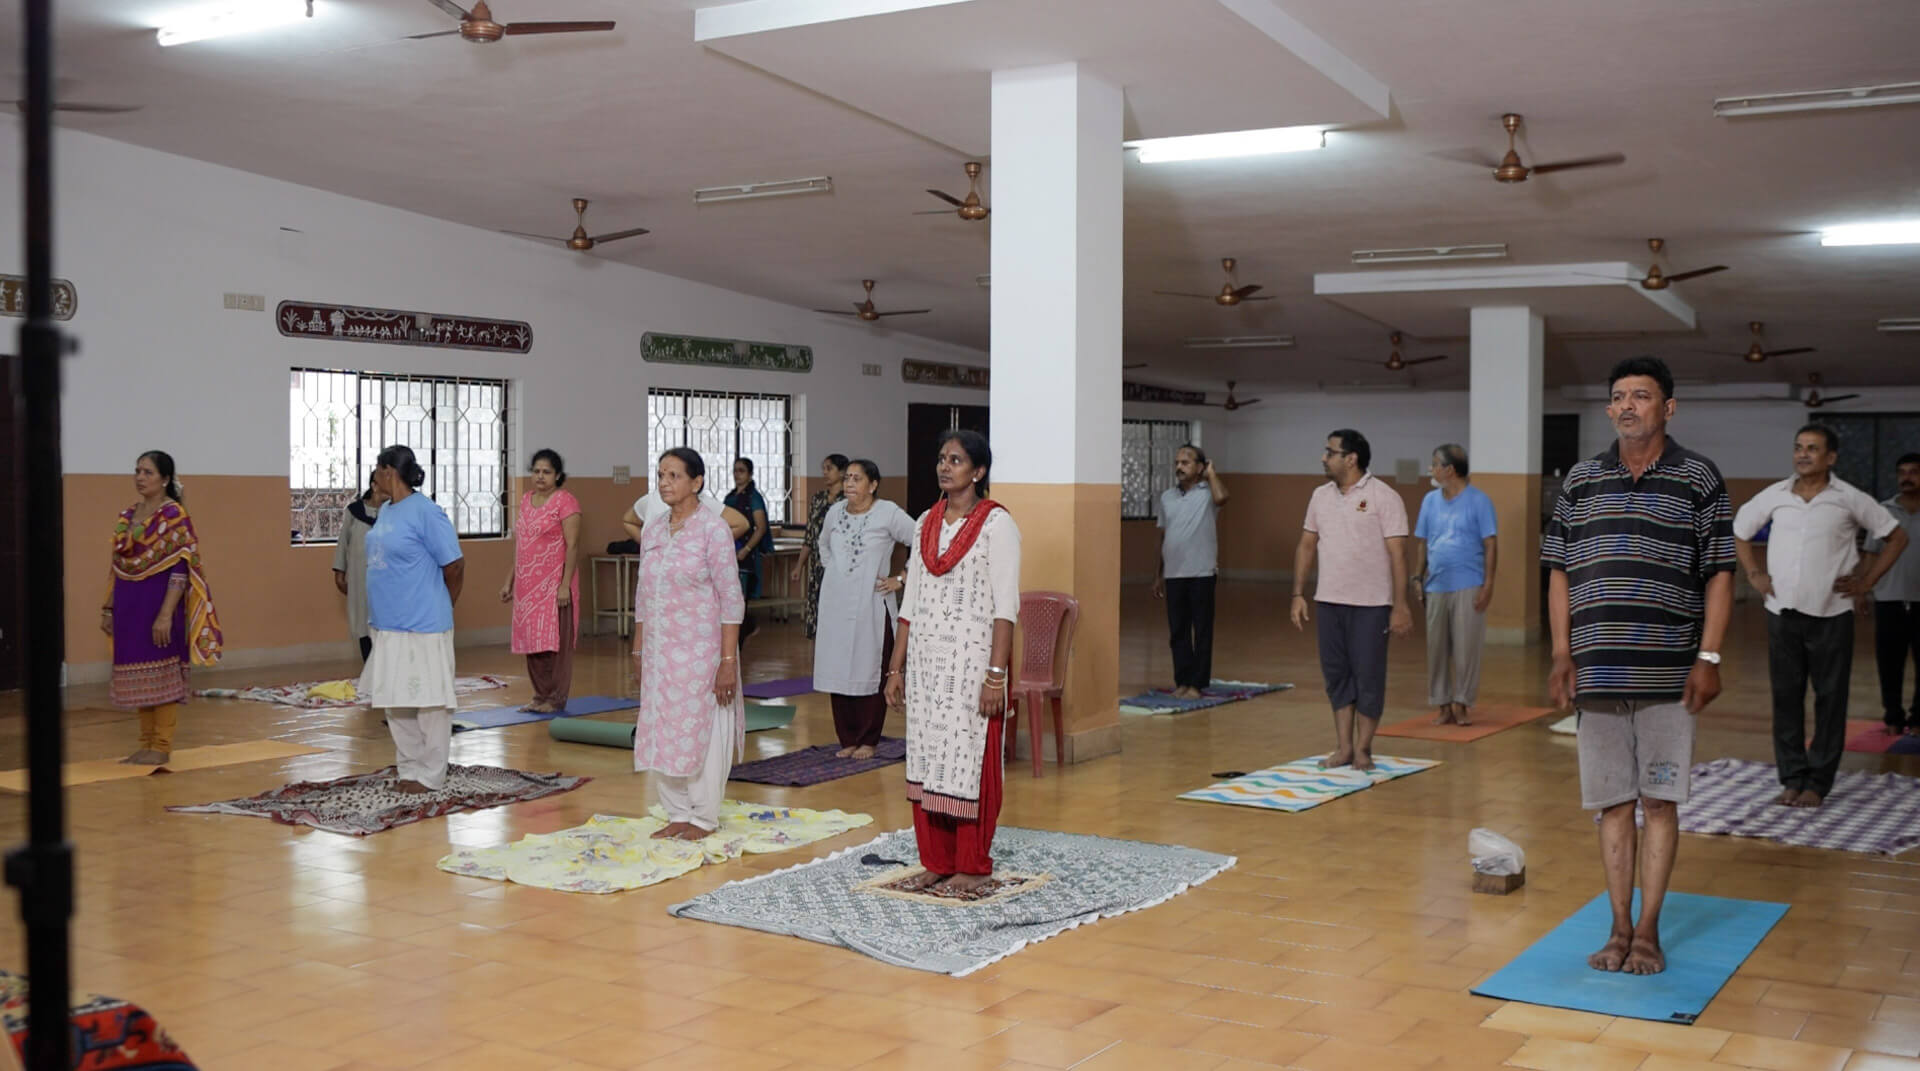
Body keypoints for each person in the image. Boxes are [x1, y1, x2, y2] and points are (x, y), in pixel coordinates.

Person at [1544, 355, 1734, 977]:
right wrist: (1561, 652)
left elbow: (1720, 573)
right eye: (1620, 396)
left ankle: (1648, 932)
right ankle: (1618, 927)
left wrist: (1708, 657)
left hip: (1668, 674)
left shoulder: (1698, 477)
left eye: (1642, 395)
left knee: (1659, 802)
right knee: (1612, 804)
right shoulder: (1580, 480)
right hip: (1596, 672)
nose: (1628, 405)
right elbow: (1559, 571)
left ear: (1667, 407)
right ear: (1609, 409)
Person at [1734, 425, 1905, 807]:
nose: (1803, 454)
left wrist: (1867, 582)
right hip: (1781, 612)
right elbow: (1740, 530)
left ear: (1831, 457)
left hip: (1832, 614)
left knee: (1830, 699)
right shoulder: (1776, 495)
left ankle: (1818, 782)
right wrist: (1754, 573)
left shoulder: (1849, 498)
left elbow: (1897, 536)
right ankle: (1792, 777)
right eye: (1798, 447)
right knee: (1786, 698)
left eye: (1812, 449)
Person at [884, 430, 1021, 895]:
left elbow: (1006, 607)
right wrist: (896, 668)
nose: (945, 466)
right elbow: (911, 603)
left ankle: (972, 864)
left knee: (969, 763)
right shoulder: (925, 522)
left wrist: (995, 677)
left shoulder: (997, 525)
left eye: (957, 460)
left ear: (978, 471)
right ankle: (937, 860)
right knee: (928, 761)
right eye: (942, 458)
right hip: (928, 669)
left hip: (973, 668)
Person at [632, 447, 744, 840]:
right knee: (662, 726)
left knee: (701, 729)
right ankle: (677, 811)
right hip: (659, 651)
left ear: (696, 482)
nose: (664, 483)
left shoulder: (713, 530)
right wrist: (638, 647)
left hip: (701, 651)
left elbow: (731, 599)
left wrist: (727, 661)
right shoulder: (653, 530)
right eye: (661, 475)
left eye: (674, 476)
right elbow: (643, 593)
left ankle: (704, 815)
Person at [1289, 429, 1412, 771]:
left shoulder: (1384, 496)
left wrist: (1400, 606)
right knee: (1337, 675)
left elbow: (1398, 555)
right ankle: (1344, 747)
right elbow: (1306, 545)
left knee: (1368, 675)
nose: (1323, 458)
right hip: (1329, 601)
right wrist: (1298, 594)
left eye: (1330, 452)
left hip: (1372, 605)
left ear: (1351, 459)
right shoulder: (1320, 496)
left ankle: (1363, 748)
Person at [102, 450, 223, 764]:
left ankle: (161, 745)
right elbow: (117, 567)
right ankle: (145, 744)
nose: (140, 477)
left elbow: (181, 570)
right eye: (137, 471)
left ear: (165, 479)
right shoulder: (127, 517)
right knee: (140, 676)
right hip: (129, 607)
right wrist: (109, 608)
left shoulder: (173, 516)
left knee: (162, 674)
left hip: (159, 607)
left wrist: (166, 614)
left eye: (148, 472)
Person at [361, 445, 465, 794]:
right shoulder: (386, 510)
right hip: (386, 623)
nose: (374, 476)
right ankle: (408, 769)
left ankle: (431, 774)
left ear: (389, 471)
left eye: (377, 469)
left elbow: (455, 565)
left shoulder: (426, 512)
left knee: (431, 702)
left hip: (424, 623)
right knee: (395, 700)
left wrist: (444, 605)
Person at [814, 459, 916, 758]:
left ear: (873, 485)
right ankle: (847, 739)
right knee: (838, 666)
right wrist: (835, 572)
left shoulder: (888, 513)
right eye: (847, 477)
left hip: (871, 603)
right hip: (835, 603)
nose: (849, 483)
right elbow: (823, 545)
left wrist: (901, 578)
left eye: (857, 479)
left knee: (870, 666)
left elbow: (923, 541)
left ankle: (869, 740)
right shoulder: (834, 512)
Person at [1410, 443, 1498, 726]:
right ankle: (1442, 704)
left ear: (1449, 470)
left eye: (1435, 464)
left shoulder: (1479, 501)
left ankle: (1462, 703)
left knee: (1466, 648)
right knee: (1436, 649)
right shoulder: (1429, 501)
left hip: (1468, 584)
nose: (1431, 469)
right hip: (1436, 584)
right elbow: (1423, 542)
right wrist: (1417, 576)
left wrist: (1488, 584)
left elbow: (1490, 544)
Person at [503, 449, 582, 713]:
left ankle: (556, 698)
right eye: (536, 471)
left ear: (557, 475)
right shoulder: (526, 500)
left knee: (554, 645)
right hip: (527, 587)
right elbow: (522, 546)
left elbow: (572, 546)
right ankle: (540, 696)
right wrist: (509, 581)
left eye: (546, 472)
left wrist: (564, 585)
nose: (540, 476)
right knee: (533, 643)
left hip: (554, 586)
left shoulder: (566, 501)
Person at [1151, 444, 1228, 698]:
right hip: (1174, 574)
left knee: (1202, 630)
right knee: (1178, 631)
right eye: (1177, 463)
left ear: (1200, 467)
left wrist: (1212, 474)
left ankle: (1197, 683)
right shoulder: (1167, 497)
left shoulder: (1208, 493)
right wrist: (1158, 575)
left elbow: (1223, 498)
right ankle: (1182, 680)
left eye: (1185, 462)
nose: (1179, 467)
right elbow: (1163, 536)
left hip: (1202, 573)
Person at [1866, 454, 1920, 733]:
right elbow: (1871, 553)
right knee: (1889, 663)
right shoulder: (1883, 511)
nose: (1906, 478)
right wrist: (1862, 590)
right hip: (1889, 598)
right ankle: (1893, 716)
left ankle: (1919, 717)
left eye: (1913, 472)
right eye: (1902, 472)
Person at [792, 453, 849, 639]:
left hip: (839, 564)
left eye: (829, 468)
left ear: (842, 472)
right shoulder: (818, 499)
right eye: (823, 469)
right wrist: (799, 566)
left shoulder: (848, 501)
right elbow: (810, 536)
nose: (825, 472)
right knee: (818, 605)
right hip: (817, 565)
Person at [332, 481, 387, 663]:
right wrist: (339, 573)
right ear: (375, 485)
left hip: (386, 577)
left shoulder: (392, 512)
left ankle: (383, 668)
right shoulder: (354, 512)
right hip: (360, 576)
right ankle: (369, 665)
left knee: (384, 621)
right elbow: (343, 543)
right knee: (363, 620)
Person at [725, 457, 772, 599]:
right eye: (735, 471)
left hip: (746, 553)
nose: (737, 474)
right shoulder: (730, 497)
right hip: (729, 550)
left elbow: (761, 528)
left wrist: (745, 550)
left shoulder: (754, 497)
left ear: (750, 474)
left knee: (742, 596)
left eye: (741, 471)